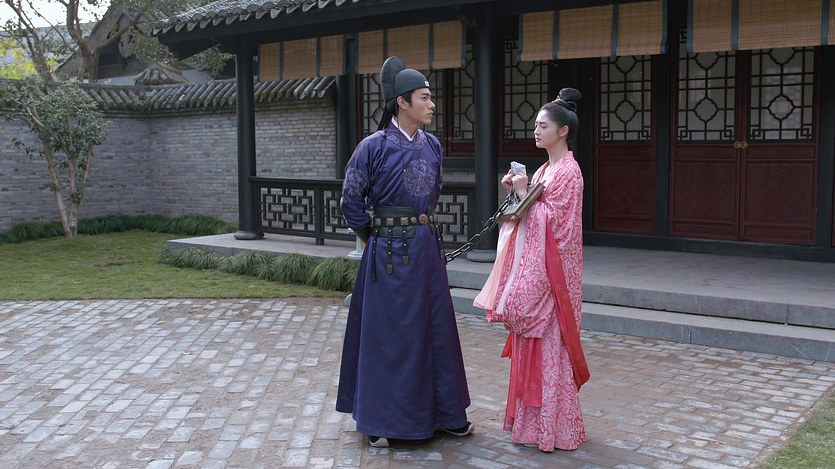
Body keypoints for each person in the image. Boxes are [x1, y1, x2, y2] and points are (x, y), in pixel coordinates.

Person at [336, 56, 474, 448]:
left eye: (431, 97)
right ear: (402, 102)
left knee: (435, 329)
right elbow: (350, 201)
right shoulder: (373, 147)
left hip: (427, 249)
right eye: (424, 98)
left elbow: (434, 192)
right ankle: (383, 420)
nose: (432, 104)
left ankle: (445, 415)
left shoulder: (433, 145)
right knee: (390, 334)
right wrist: (375, 236)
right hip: (388, 252)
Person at [473, 88, 590, 452]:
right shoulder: (544, 169)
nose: (536, 131)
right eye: (536, 125)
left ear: (563, 131)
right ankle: (531, 426)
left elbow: (558, 228)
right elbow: (530, 215)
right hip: (537, 271)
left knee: (550, 350)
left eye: (543, 126)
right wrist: (517, 192)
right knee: (533, 350)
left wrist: (525, 195)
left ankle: (555, 429)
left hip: (553, 278)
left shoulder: (569, 172)